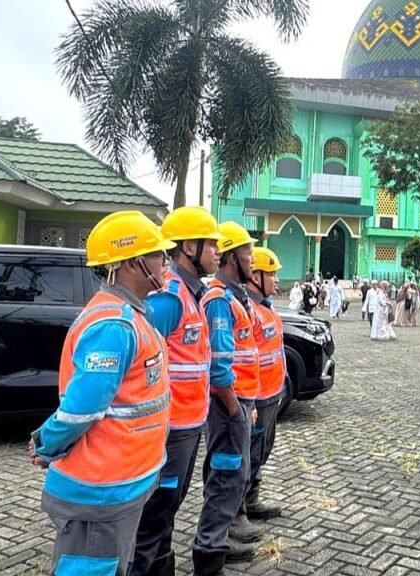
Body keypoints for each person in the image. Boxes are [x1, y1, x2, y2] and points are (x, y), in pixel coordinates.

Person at [28, 211, 173, 576]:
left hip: (121, 483)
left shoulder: (134, 315)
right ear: (131, 264)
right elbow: (81, 408)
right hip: (101, 487)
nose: (164, 262)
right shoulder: (113, 325)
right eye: (157, 255)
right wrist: (46, 443)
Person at [131, 207, 222, 576]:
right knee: (154, 518)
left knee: (166, 512)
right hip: (169, 429)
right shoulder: (170, 297)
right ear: (188, 246)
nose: (218, 250)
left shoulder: (191, 292)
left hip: (187, 424)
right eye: (211, 243)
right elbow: (141, 361)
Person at [194, 222, 260, 573]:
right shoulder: (219, 300)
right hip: (226, 405)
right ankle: (211, 545)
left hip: (238, 403)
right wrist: (235, 409)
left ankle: (221, 536)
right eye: (248, 251)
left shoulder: (234, 296)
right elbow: (219, 369)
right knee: (224, 473)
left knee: (235, 473)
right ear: (233, 257)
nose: (252, 258)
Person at [243, 248, 286, 523]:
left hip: (272, 396)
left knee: (262, 451)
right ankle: (238, 511)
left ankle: (251, 500)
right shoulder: (248, 310)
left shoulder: (266, 308)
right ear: (255, 275)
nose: (276, 280)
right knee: (250, 453)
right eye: (271, 274)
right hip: (257, 399)